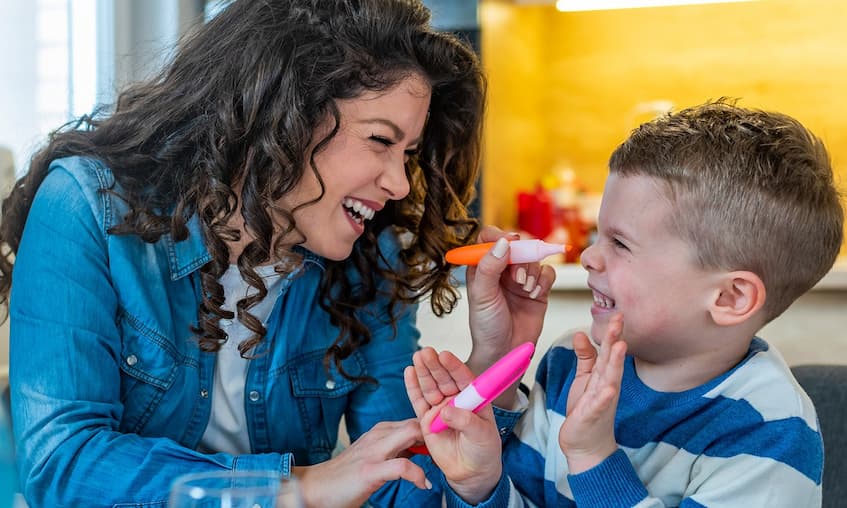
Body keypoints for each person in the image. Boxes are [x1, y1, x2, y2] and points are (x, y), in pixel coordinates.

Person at [0, 1, 556, 506]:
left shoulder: (369, 254)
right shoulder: (84, 208)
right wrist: (301, 488)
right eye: (380, 141)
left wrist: (492, 372)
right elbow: (63, 466)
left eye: (407, 153)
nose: (400, 185)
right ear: (280, 119)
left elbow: (399, 489)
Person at [405, 99, 844, 506]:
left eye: (621, 243)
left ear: (730, 298)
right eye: (599, 236)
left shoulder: (770, 432)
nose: (591, 256)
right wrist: (479, 483)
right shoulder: (568, 364)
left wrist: (594, 458)